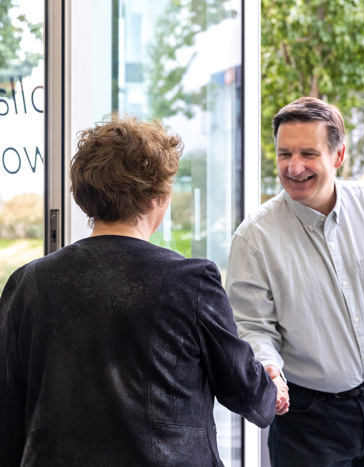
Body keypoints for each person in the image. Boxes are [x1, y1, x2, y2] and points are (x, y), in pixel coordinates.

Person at [0, 115, 288, 466]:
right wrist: (270, 386)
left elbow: (8, 411)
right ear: (156, 197)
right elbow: (245, 391)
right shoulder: (190, 280)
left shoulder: (28, 282)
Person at [226, 97, 364, 466]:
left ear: (338, 156)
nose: (294, 167)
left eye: (309, 153)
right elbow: (253, 327)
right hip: (310, 421)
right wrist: (269, 369)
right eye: (284, 154)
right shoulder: (254, 238)